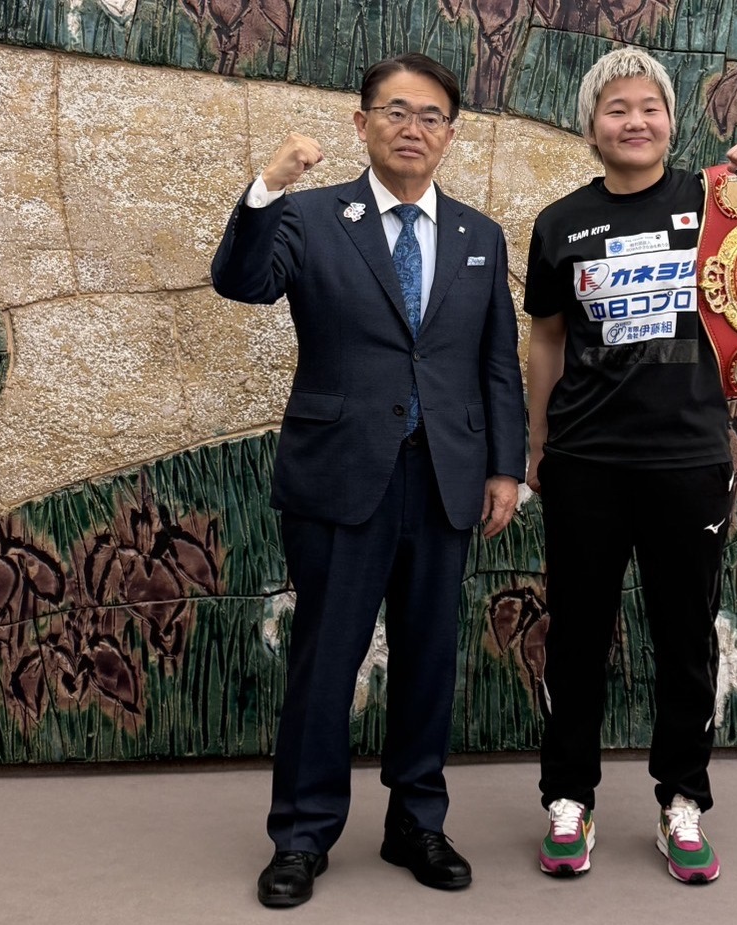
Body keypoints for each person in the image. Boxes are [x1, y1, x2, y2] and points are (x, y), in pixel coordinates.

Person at [211, 53, 526, 906]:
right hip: (341, 474)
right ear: (362, 124)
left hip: (447, 477)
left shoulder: (478, 236)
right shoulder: (312, 215)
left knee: (429, 659)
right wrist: (266, 187)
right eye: (395, 111)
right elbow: (241, 282)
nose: (412, 128)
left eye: (431, 116)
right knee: (326, 659)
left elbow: (497, 362)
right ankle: (301, 835)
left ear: (450, 134)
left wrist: (507, 466)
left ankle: (416, 821)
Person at [523, 47, 737, 884]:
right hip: (585, 458)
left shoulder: (721, 200)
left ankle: (683, 801)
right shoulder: (559, 223)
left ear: (669, 119)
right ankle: (569, 798)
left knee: (684, 637)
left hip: (688, 457)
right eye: (616, 108)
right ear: (591, 127)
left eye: (649, 107)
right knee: (576, 637)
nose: (635, 121)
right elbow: (546, 339)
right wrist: (538, 442)